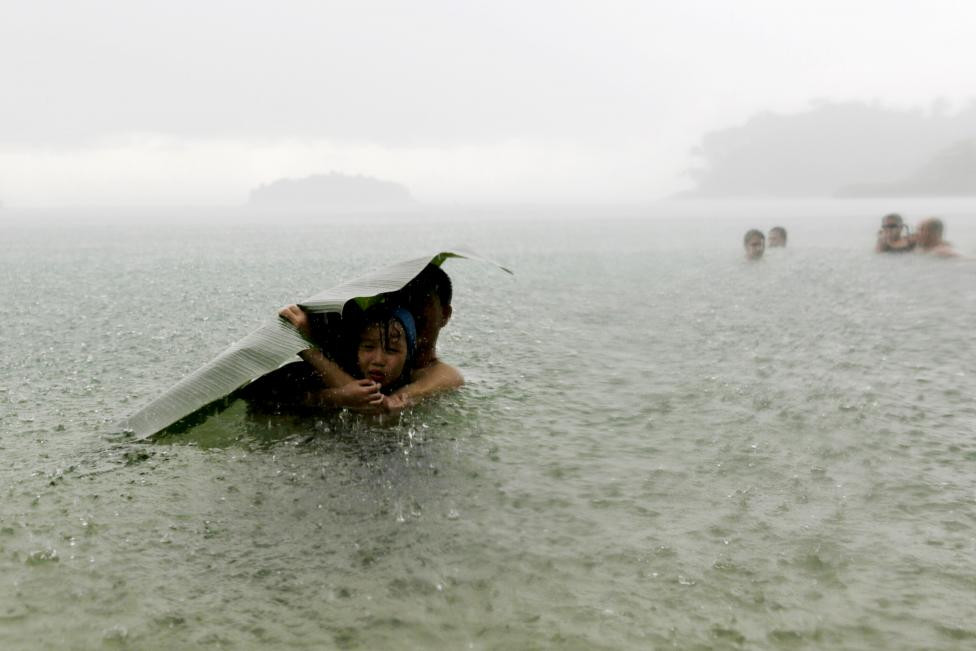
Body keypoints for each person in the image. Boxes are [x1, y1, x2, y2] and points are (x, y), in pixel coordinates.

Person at [278, 264, 463, 414]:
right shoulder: (359, 350)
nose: (410, 309)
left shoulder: (443, 376)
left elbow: (378, 409)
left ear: (445, 314)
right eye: (403, 298)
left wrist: (307, 348)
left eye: (421, 301)